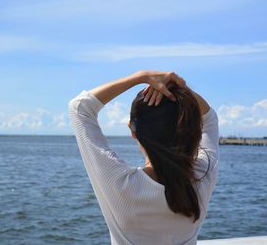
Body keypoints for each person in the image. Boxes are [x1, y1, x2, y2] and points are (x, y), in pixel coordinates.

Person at [68, 70, 219, 245]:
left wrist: (142, 76)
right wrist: (177, 88)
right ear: (188, 129)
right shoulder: (202, 176)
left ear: (132, 130)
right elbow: (209, 118)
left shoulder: (121, 186)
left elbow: (79, 107)